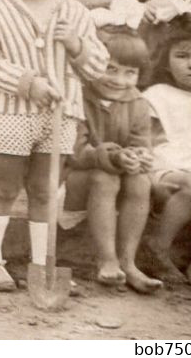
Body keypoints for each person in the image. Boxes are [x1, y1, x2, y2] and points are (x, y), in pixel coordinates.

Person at [0, 0, 109, 291]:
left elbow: (98, 67)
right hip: (10, 113)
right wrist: (27, 83)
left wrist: (77, 46)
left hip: (61, 116)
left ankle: (41, 264)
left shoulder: (75, 14)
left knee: (46, 189)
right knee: (5, 185)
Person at [64, 28, 164, 293]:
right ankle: (106, 259)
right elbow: (75, 152)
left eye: (130, 73)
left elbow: (142, 144)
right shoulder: (78, 98)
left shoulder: (138, 104)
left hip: (118, 178)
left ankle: (128, 263)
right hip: (75, 179)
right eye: (110, 69)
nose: (119, 80)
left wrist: (137, 157)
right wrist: (115, 157)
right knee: (104, 177)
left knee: (141, 181)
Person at [141, 14, 191, 286]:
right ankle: (158, 246)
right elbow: (147, 143)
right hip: (170, 171)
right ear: (166, 59)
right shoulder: (157, 94)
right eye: (182, 56)